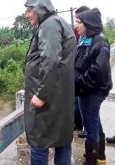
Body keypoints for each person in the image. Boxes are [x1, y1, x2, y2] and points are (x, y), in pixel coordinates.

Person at [24, 0, 76, 164]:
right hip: (60, 95)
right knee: (62, 140)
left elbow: (51, 60)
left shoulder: (49, 25)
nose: (27, 15)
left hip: (48, 99)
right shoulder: (59, 22)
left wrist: (41, 95)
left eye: (29, 11)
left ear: (39, 8)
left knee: (39, 141)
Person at [75, 8, 112, 164]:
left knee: (91, 127)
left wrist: (79, 81)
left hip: (92, 90)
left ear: (88, 24)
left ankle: (92, 161)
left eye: (79, 22)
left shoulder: (100, 41)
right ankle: (99, 156)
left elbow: (99, 70)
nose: (76, 25)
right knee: (94, 122)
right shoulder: (86, 38)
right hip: (86, 89)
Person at [73, 6, 90, 139]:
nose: (77, 24)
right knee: (78, 104)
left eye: (79, 20)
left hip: (87, 80)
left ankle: (97, 154)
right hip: (79, 78)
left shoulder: (94, 38)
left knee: (90, 113)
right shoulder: (80, 35)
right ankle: (80, 125)